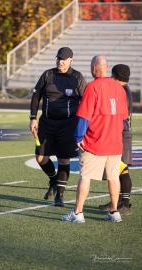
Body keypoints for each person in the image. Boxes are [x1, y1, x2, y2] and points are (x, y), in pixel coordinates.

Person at [62, 55, 129, 223]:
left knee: (85, 176)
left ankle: (78, 213)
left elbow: (84, 117)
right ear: (106, 68)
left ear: (94, 69)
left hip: (95, 141)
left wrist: (78, 137)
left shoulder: (92, 87)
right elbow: (123, 119)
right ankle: (114, 211)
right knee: (114, 177)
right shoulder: (120, 89)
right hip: (114, 142)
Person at [29, 47, 87, 206]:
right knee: (41, 158)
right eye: (58, 58)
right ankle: (54, 180)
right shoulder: (48, 74)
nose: (60, 61)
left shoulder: (77, 77)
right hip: (47, 122)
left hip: (68, 124)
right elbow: (36, 96)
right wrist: (33, 118)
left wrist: (83, 123)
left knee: (63, 159)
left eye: (63, 59)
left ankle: (59, 196)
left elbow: (85, 100)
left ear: (70, 60)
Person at [99, 64, 133, 215]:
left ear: (116, 76)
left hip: (121, 133)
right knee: (115, 170)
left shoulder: (121, 91)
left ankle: (125, 205)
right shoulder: (125, 89)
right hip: (121, 132)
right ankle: (117, 201)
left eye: (112, 75)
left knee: (122, 169)